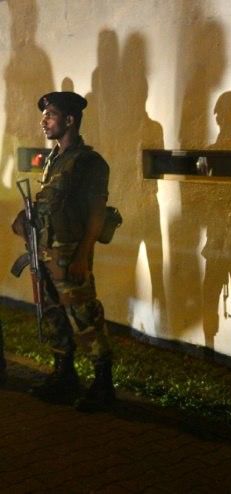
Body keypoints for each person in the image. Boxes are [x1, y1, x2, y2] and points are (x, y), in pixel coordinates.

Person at [12, 91, 114, 411]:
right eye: (44, 115)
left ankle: (102, 385)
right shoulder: (56, 159)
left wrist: (83, 256)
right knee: (54, 314)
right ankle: (64, 376)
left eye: (51, 115)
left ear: (69, 120)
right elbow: (52, 203)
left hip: (70, 254)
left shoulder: (89, 163)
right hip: (46, 251)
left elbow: (97, 212)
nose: (44, 121)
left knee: (84, 316)